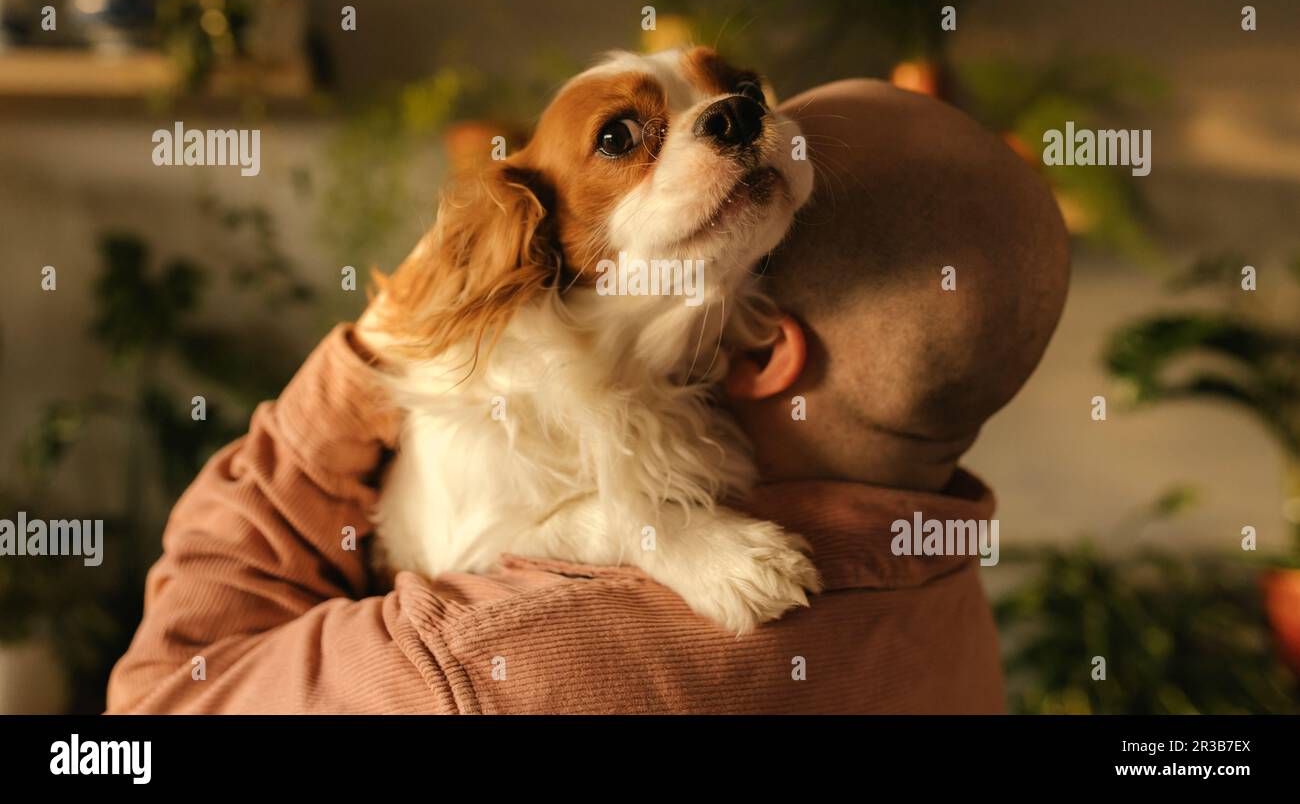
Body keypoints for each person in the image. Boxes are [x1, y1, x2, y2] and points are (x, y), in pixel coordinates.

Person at [106, 79, 1069, 714]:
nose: (734, 112)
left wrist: (363, 359)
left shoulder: (485, 666)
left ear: (760, 347)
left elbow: (158, 708)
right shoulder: (940, 571)